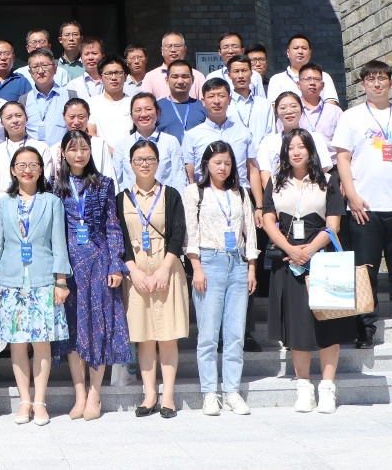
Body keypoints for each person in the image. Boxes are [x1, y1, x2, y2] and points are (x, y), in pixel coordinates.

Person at [332, 59, 392, 351]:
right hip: (365, 208)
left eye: (382, 79)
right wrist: (352, 195)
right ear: (363, 84)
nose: (377, 84)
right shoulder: (351, 117)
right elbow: (343, 159)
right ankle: (365, 329)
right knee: (366, 273)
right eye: (371, 79)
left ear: (391, 83)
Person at [261, 128, 355, 413]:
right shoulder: (276, 182)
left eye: (301, 146)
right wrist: (291, 250)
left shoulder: (327, 181)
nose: (296, 152)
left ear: (311, 150)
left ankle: (327, 388)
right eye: (291, 147)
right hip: (288, 260)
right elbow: (268, 221)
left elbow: (333, 225)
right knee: (297, 326)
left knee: (327, 324)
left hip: (321, 258)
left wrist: (308, 250)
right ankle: (304, 387)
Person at [49, 130, 131, 421]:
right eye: (73, 149)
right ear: (63, 153)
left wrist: (115, 263)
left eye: (84, 148)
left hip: (98, 261)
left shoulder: (104, 184)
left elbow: (112, 225)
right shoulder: (55, 187)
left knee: (99, 326)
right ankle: (80, 393)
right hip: (68, 265)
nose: (79, 154)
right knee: (73, 328)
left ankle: (95, 393)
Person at [0, 147, 69, 426]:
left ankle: (40, 401)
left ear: (41, 169)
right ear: (13, 170)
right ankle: (24, 401)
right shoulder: (3, 203)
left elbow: (58, 242)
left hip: (43, 279)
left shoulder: (52, 202)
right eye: (21, 165)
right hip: (11, 281)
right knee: (18, 343)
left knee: (42, 343)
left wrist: (61, 281)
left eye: (33, 164)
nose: (27, 170)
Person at [185, 142, 258, 416]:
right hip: (209, 261)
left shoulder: (241, 193)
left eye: (227, 163)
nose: (222, 168)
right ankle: (209, 392)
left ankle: (232, 391)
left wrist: (251, 267)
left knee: (235, 333)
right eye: (217, 162)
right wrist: (196, 267)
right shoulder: (195, 192)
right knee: (208, 334)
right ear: (206, 165)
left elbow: (249, 231)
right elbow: (190, 233)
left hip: (237, 262)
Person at [117, 139, 188, 419]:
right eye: (139, 159)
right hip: (136, 276)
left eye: (150, 159)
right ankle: (149, 394)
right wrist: (133, 271)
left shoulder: (171, 195)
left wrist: (164, 269)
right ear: (130, 164)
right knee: (144, 337)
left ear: (158, 163)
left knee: (168, 336)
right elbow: (120, 239)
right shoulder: (121, 198)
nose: (144, 164)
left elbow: (178, 233)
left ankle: (167, 395)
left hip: (167, 272)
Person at [112, 92, 187, 193]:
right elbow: (116, 180)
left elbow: (179, 177)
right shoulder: (122, 145)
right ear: (131, 115)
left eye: (148, 109)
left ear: (158, 113)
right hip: (131, 201)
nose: (143, 114)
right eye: (138, 110)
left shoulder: (170, 141)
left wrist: (178, 200)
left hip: (164, 200)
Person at [257, 93, 336, 185]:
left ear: (301, 110)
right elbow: (265, 174)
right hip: (279, 191)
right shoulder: (267, 142)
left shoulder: (316, 138)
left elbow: (323, 168)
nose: (289, 111)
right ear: (277, 113)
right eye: (283, 108)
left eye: (294, 106)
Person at [0, 101, 48, 197]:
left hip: (34, 202)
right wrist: (2, 204)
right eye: (9, 117)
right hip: (1, 204)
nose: (15, 120)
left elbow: (45, 180)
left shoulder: (41, 148)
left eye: (18, 115)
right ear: (2, 123)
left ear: (26, 118)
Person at [45, 99, 117, 183]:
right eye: (72, 117)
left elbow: (109, 175)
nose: (76, 122)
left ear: (88, 117)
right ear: (64, 117)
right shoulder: (55, 149)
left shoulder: (99, 144)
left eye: (81, 117)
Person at [266, 34, 340, 104]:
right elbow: (274, 107)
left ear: (310, 53)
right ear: (288, 53)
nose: (300, 52)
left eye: (304, 48)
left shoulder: (323, 76)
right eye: (296, 48)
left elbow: (332, 104)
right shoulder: (277, 79)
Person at [24, 48, 70, 146]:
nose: (40, 71)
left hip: (61, 152)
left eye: (45, 66)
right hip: (33, 153)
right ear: (30, 72)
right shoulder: (24, 100)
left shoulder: (70, 96)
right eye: (35, 67)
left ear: (55, 69)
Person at [86, 55, 133, 150]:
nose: (113, 77)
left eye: (118, 73)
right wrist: (112, 153)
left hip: (131, 155)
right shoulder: (91, 104)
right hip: (102, 155)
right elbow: (91, 133)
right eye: (108, 73)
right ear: (100, 78)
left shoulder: (133, 103)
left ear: (125, 77)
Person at [141, 32, 206, 101]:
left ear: (185, 50)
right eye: (169, 46)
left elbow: (204, 103)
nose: (173, 50)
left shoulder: (198, 76)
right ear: (162, 50)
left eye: (177, 46)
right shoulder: (150, 77)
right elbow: (146, 103)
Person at [225, 55, 271, 152]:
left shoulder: (264, 104)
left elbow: (270, 133)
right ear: (229, 75)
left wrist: (260, 152)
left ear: (251, 73)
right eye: (236, 71)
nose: (241, 75)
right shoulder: (226, 105)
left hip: (261, 157)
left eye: (244, 70)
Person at [153, 60, 206, 143]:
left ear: (192, 79)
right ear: (167, 80)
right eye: (175, 77)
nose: (180, 81)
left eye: (185, 76)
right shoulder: (157, 107)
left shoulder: (202, 106)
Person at [205, 32, 265, 98]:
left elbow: (261, 101)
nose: (230, 51)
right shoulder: (212, 76)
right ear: (219, 52)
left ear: (242, 51)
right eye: (226, 47)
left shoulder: (255, 76)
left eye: (235, 46)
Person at [298, 62, 343, 145]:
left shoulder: (335, 112)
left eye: (317, 79)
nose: (312, 83)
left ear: (322, 85)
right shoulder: (292, 111)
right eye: (307, 79)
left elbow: (343, 142)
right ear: (298, 85)